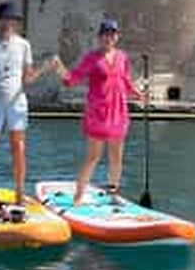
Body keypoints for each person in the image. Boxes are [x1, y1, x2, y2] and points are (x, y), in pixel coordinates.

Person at [50, 18, 144, 204]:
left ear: (116, 37)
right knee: (93, 157)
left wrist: (137, 93)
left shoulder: (122, 57)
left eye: (112, 34)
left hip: (118, 111)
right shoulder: (92, 58)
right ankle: (78, 197)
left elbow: (125, 81)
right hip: (98, 113)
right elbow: (72, 79)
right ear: (100, 37)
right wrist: (59, 68)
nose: (108, 37)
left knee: (116, 157)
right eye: (105, 34)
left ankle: (113, 194)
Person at [0, 1, 48, 204]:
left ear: (16, 23)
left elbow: (28, 78)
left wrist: (44, 68)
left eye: (11, 19)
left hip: (17, 103)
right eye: (4, 19)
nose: (7, 23)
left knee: (19, 147)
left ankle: (20, 194)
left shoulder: (24, 45)